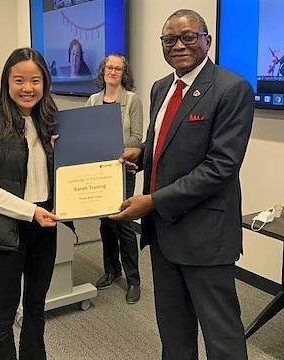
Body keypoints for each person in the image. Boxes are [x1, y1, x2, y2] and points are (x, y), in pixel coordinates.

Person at [110, 9, 254, 360]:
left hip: (206, 235)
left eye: (189, 36)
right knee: (173, 330)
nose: (179, 45)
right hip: (163, 234)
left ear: (208, 39)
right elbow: (162, 144)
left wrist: (153, 201)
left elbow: (221, 167)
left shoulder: (232, 88)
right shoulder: (162, 87)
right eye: (169, 39)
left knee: (222, 336)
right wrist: (139, 154)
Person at [0, 47, 60, 360]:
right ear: (6, 82)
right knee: (4, 315)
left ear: (44, 83)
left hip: (45, 226)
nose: (28, 88)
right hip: (7, 228)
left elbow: (70, 173)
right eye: (19, 80)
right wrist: (29, 211)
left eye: (35, 80)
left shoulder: (52, 124)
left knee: (36, 310)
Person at [86, 54, 144, 304]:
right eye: (109, 67)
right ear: (103, 71)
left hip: (122, 170)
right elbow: (86, 133)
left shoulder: (132, 100)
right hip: (99, 171)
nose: (113, 71)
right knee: (105, 224)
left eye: (118, 68)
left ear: (124, 73)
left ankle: (133, 280)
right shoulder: (93, 100)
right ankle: (111, 270)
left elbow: (137, 138)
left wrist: (111, 148)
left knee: (124, 225)